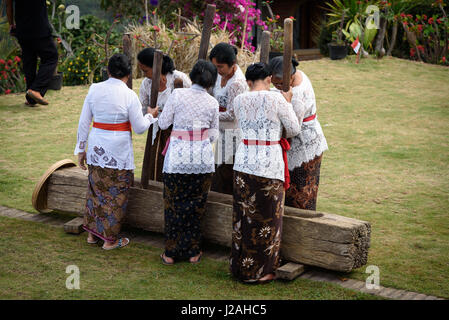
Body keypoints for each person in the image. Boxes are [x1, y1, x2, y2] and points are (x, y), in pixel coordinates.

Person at [75, 54, 158, 250]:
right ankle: (109, 241)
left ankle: (91, 236)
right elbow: (139, 127)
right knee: (116, 195)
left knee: (96, 191)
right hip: (118, 151)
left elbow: (83, 122)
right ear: (128, 74)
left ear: (109, 71)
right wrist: (151, 116)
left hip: (97, 147)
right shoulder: (129, 95)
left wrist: (80, 149)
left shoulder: (94, 89)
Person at [230, 63, 300, 283]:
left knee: (243, 218)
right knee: (268, 219)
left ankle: (240, 268)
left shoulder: (239, 99)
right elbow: (295, 128)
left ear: (248, 82)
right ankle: (260, 272)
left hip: (243, 162)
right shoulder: (277, 99)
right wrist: (288, 102)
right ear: (269, 79)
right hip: (268, 163)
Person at [157, 60, 219, 265]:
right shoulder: (212, 103)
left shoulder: (177, 95)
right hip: (201, 160)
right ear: (212, 82)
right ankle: (193, 252)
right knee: (196, 206)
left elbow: (164, 123)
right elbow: (213, 135)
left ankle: (171, 253)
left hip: (177, 159)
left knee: (173, 205)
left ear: (192, 76)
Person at [269, 56, 328, 210]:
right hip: (304, 139)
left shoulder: (297, 94)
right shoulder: (296, 74)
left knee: (301, 193)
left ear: (290, 76)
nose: (276, 87)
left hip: (304, 145)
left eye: (279, 84)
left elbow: (293, 128)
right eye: (274, 84)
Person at [137, 48, 192, 182]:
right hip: (156, 131)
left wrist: (164, 90)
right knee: (156, 166)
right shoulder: (146, 83)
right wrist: (150, 114)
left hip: (178, 132)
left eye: (145, 71)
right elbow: (143, 108)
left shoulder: (179, 79)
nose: (144, 75)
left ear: (156, 66)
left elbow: (190, 104)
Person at [209, 43, 248, 195]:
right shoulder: (219, 76)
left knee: (226, 173)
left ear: (232, 64)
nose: (217, 70)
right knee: (218, 170)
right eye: (215, 67)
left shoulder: (237, 83)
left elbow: (232, 114)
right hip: (220, 131)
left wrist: (209, 114)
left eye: (220, 67)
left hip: (233, 134)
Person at [6, 0, 58, 106]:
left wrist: (11, 24)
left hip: (22, 28)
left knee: (29, 60)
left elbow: (9, 5)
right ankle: (36, 89)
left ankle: (31, 99)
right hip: (39, 27)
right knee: (51, 57)